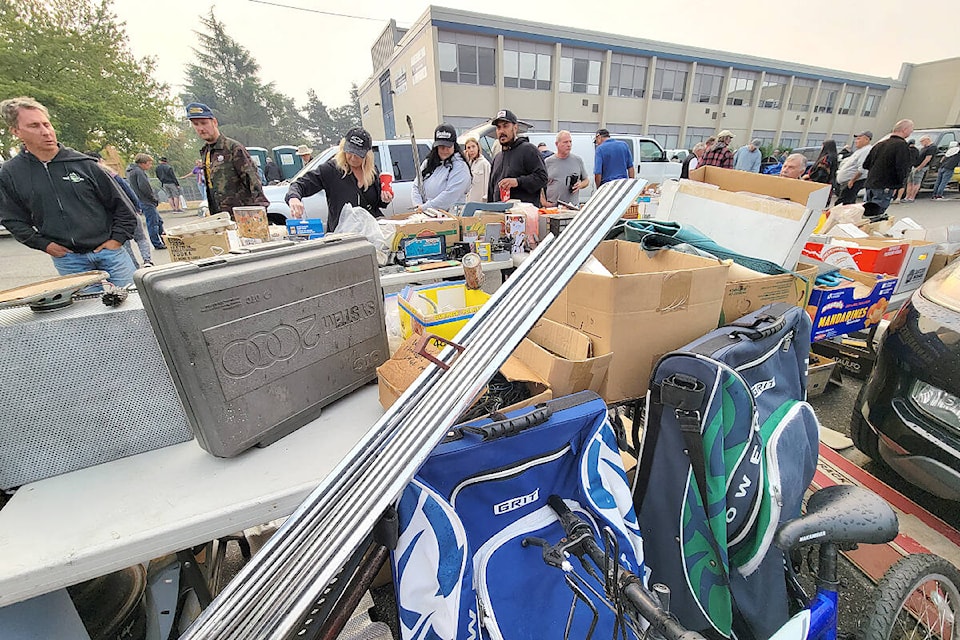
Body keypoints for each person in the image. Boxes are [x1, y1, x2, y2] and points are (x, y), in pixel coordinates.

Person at [0, 96, 137, 286]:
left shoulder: (83, 164)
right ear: (16, 131)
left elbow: (123, 206)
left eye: (46, 124)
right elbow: (12, 219)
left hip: (111, 254)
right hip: (69, 261)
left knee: (136, 306)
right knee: (88, 314)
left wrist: (117, 240)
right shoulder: (11, 173)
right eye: (34, 126)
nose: (45, 132)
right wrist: (45, 245)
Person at [285, 127, 394, 231]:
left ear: (367, 154)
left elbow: (377, 204)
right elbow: (299, 184)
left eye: (358, 154)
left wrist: (385, 199)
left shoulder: (372, 172)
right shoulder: (331, 170)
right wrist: (294, 198)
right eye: (349, 152)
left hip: (371, 232)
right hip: (343, 235)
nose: (352, 158)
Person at [185, 102, 269, 218]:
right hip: (220, 218)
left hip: (242, 216)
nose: (201, 128)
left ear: (214, 122)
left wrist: (260, 213)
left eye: (204, 123)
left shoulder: (233, 148)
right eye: (196, 124)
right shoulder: (206, 152)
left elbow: (253, 181)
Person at [88, 151, 153, 268]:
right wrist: (136, 206)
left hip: (111, 216)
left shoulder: (87, 178)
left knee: (124, 242)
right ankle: (147, 260)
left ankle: (134, 266)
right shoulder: (110, 174)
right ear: (101, 161)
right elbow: (128, 190)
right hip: (127, 210)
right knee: (140, 238)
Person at [486, 109, 547, 206]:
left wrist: (517, 182)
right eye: (498, 127)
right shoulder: (497, 158)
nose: (501, 131)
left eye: (505, 126)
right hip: (499, 216)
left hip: (523, 216)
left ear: (515, 127)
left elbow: (542, 178)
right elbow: (491, 191)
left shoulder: (528, 150)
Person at [411, 123, 471, 212]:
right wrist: (418, 205)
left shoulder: (460, 167)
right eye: (441, 146)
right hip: (425, 217)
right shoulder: (428, 163)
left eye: (448, 146)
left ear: (454, 145)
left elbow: (450, 195)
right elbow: (416, 186)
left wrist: (425, 208)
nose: (445, 150)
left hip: (449, 219)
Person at [863, 119, 915, 216]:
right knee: (877, 214)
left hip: (871, 184)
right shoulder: (901, 145)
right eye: (911, 130)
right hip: (886, 185)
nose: (911, 132)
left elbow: (866, 164)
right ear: (905, 129)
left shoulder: (879, 144)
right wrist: (899, 184)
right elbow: (902, 167)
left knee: (867, 212)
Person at [126, 154, 167, 250]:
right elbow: (144, 187)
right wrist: (153, 198)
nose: (150, 166)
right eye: (149, 163)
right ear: (143, 163)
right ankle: (157, 243)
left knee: (159, 221)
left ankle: (165, 239)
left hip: (141, 200)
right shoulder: (139, 172)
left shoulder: (131, 171)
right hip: (146, 201)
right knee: (153, 223)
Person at [542, 130, 589, 207]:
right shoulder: (548, 162)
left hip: (571, 207)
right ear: (557, 144)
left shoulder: (577, 160)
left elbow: (586, 180)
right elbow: (539, 185)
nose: (569, 145)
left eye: (570, 142)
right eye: (565, 142)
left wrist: (580, 185)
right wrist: (544, 202)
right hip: (553, 208)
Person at [834, 131, 873, 205]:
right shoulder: (860, 150)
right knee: (847, 204)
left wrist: (852, 180)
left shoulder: (866, 151)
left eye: (859, 139)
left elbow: (862, 168)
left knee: (841, 204)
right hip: (848, 182)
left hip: (853, 182)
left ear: (866, 139)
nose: (856, 141)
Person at [905, 135, 935, 202]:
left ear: (927, 140)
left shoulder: (932, 148)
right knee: (910, 182)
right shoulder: (924, 148)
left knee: (916, 182)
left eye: (922, 141)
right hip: (914, 166)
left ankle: (912, 197)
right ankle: (907, 196)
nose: (921, 143)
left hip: (921, 167)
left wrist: (920, 167)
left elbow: (927, 159)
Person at [463, 137, 491, 202]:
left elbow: (488, 184)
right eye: (468, 148)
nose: (471, 150)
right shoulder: (469, 164)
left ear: (478, 147)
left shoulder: (484, 164)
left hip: (480, 202)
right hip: (469, 201)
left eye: (473, 146)